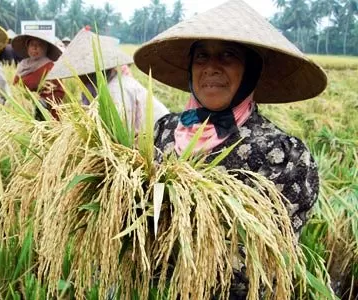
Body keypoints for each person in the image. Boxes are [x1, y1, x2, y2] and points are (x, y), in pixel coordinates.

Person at [133, 0, 327, 298]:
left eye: (228, 55)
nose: (211, 67)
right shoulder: (163, 131)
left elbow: (259, 259)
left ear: (252, 70)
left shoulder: (285, 155)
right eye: (201, 56)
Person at [47, 28, 170, 132]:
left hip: (160, 135)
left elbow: (121, 133)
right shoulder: (92, 89)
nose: (77, 77)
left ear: (92, 73)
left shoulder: (116, 90)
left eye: (80, 72)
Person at [12, 32, 64, 120]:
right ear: (27, 47)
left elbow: (60, 91)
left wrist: (43, 101)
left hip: (46, 115)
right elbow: (15, 86)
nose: (35, 48)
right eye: (32, 45)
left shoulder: (49, 67)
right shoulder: (22, 65)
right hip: (24, 112)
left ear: (45, 48)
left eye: (39, 45)